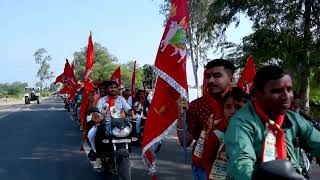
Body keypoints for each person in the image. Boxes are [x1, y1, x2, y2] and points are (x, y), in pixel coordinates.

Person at [225, 65, 320, 180]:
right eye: (276, 91)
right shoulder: (241, 123)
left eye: (289, 89)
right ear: (256, 95)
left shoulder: (294, 119)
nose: (286, 96)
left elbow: (317, 142)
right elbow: (241, 167)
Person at [176, 59, 236, 180]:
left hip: (235, 167)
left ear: (231, 79)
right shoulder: (196, 105)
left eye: (217, 75)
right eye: (208, 76)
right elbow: (185, 141)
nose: (210, 80)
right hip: (203, 169)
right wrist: (181, 115)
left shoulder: (244, 103)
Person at [204, 87, 249, 179]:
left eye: (238, 107)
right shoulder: (217, 135)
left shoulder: (253, 134)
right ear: (223, 109)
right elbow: (206, 161)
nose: (232, 111)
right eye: (228, 107)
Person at [90, 81, 135, 168]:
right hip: (106, 122)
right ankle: (98, 158)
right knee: (97, 133)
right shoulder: (102, 100)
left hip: (120, 123)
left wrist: (132, 113)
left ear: (117, 89)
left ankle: (127, 157)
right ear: (107, 89)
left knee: (130, 130)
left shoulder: (121, 99)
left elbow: (127, 108)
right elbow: (98, 111)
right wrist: (98, 116)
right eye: (111, 87)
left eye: (115, 87)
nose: (113, 89)